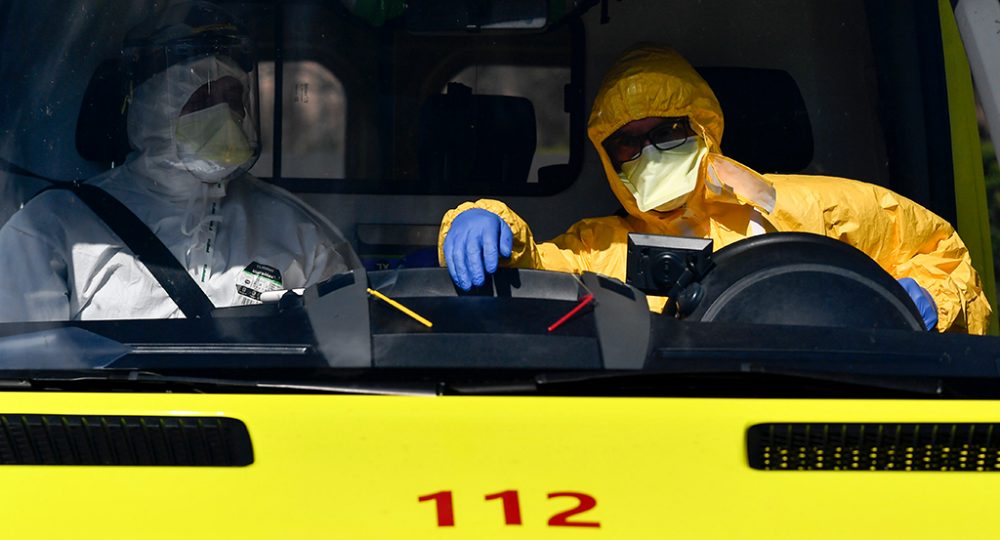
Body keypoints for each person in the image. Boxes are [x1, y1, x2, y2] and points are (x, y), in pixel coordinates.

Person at [437, 44, 991, 334]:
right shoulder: (604, 248)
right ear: (608, 158)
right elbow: (534, 271)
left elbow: (940, 253)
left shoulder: (814, 204)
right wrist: (485, 219)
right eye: (627, 144)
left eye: (667, 131)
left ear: (703, 129)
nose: (648, 152)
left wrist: (932, 301)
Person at [0, 0, 354, 321]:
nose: (225, 117)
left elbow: (339, 346)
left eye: (233, 99)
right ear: (153, 112)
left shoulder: (298, 232)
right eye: (203, 100)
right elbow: (28, 361)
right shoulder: (54, 227)